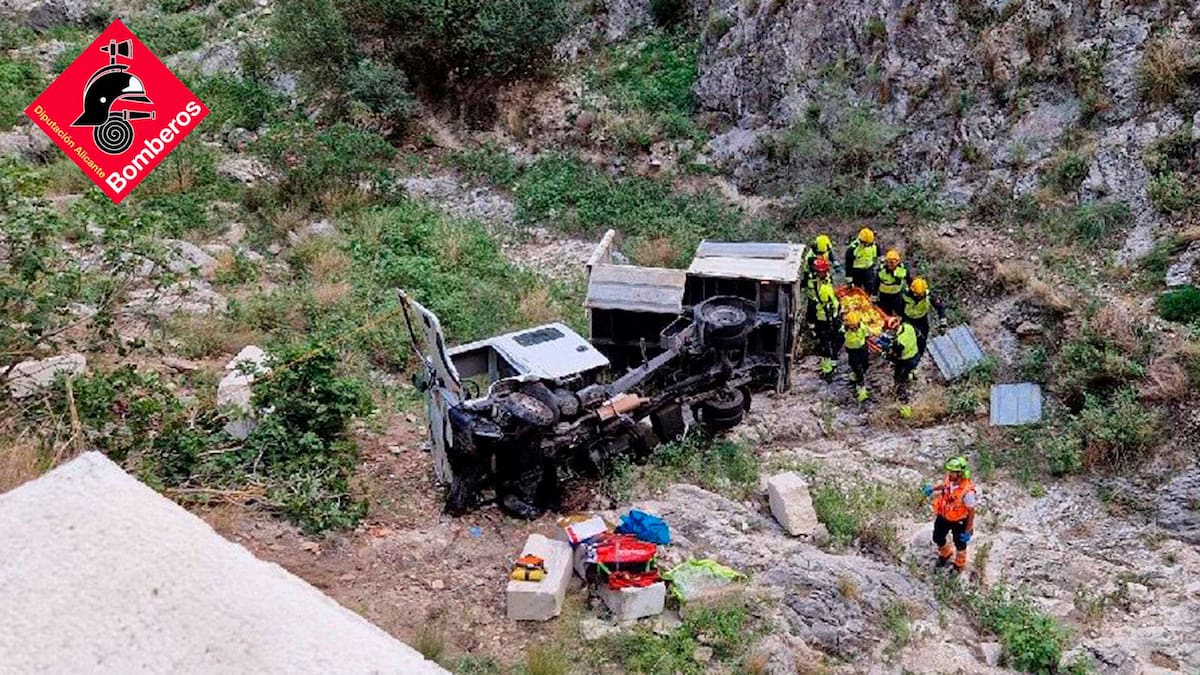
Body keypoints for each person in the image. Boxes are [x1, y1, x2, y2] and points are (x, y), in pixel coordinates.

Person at [922, 456, 978, 573]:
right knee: (937, 537)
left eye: (953, 472)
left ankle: (959, 564)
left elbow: (971, 512)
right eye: (949, 471)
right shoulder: (950, 480)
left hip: (959, 520)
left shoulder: (967, 492)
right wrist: (933, 488)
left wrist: (968, 530)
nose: (950, 474)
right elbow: (945, 486)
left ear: (960, 473)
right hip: (944, 515)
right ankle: (946, 553)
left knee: (960, 544)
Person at [883, 316, 920, 418]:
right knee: (901, 374)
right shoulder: (908, 327)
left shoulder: (899, 342)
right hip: (915, 354)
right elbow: (918, 334)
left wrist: (886, 355)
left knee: (900, 382)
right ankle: (912, 373)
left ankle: (905, 408)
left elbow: (896, 356)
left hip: (905, 361)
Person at [902, 277, 947, 360]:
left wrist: (943, 324)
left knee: (922, 338)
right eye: (916, 295)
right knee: (907, 338)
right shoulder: (905, 294)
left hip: (922, 319)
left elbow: (940, 307)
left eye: (920, 295)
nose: (919, 297)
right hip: (908, 319)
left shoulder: (929, 296)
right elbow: (897, 306)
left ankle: (919, 354)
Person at [811, 258, 840, 379]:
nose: (822, 273)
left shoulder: (827, 281)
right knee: (825, 344)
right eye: (820, 271)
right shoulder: (816, 284)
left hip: (832, 316)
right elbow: (814, 303)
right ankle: (827, 370)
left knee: (835, 341)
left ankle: (833, 365)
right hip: (823, 318)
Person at [803, 234, 836, 328]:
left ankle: (827, 318)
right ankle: (811, 322)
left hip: (823, 279)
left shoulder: (825, 246)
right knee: (813, 304)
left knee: (826, 301)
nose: (822, 254)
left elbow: (830, 253)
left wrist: (834, 261)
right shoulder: (810, 258)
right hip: (813, 284)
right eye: (820, 253)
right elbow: (807, 271)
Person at [842, 311, 870, 402]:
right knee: (857, 368)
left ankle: (857, 375)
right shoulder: (844, 331)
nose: (854, 327)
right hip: (852, 351)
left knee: (865, 364)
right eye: (851, 326)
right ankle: (861, 389)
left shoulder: (863, 327)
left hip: (862, 348)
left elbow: (867, 336)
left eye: (855, 325)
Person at [845, 228, 879, 297]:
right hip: (856, 271)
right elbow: (848, 265)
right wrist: (849, 279)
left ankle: (868, 299)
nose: (867, 245)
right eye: (865, 243)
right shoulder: (853, 249)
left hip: (868, 269)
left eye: (869, 243)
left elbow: (878, 256)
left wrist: (876, 266)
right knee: (856, 290)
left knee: (870, 288)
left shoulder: (874, 245)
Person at [877, 249, 908, 317]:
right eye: (888, 262)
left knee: (899, 311)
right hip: (884, 295)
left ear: (897, 262)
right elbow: (877, 281)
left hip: (896, 295)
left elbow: (908, 279)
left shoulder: (902, 270)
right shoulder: (881, 269)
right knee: (885, 313)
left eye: (892, 262)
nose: (890, 264)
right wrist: (874, 293)